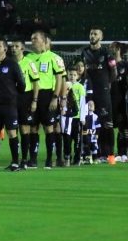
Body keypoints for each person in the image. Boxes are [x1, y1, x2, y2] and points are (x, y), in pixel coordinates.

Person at [28, 30, 66, 168]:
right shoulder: (28, 58)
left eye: (35, 38)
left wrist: (56, 97)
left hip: (48, 95)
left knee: (49, 128)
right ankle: (33, 159)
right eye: (32, 39)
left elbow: (60, 78)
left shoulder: (54, 58)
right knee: (33, 128)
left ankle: (50, 158)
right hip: (32, 95)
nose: (33, 41)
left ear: (44, 41)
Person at [0, 38, 25, 171]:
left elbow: (21, 83)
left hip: (9, 104)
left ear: (5, 49)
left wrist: (14, 96)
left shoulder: (12, 64)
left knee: (11, 132)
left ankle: (15, 162)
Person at [81, 27, 116, 164]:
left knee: (106, 122)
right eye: (91, 33)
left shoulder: (107, 52)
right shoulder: (84, 52)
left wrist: (108, 84)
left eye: (95, 34)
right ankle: (92, 153)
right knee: (90, 123)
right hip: (89, 91)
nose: (92, 36)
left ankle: (110, 154)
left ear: (101, 37)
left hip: (103, 91)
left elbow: (113, 70)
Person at [10, 38, 39, 169]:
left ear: (22, 48)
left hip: (25, 97)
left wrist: (34, 100)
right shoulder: (8, 63)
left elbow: (35, 83)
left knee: (24, 129)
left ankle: (25, 159)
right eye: (12, 46)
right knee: (12, 130)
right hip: (11, 98)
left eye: (16, 46)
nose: (13, 48)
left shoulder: (29, 63)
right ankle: (14, 160)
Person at [62, 66, 86, 165]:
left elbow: (82, 103)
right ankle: (67, 157)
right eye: (70, 74)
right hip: (66, 118)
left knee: (77, 140)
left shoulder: (80, 87)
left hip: (76, 118)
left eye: (74, 75)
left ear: (78, 76)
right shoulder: (64, 86)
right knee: (67, 139)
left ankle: (77, 159)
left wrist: (82, 117)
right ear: (67, 74)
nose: (72, 77)